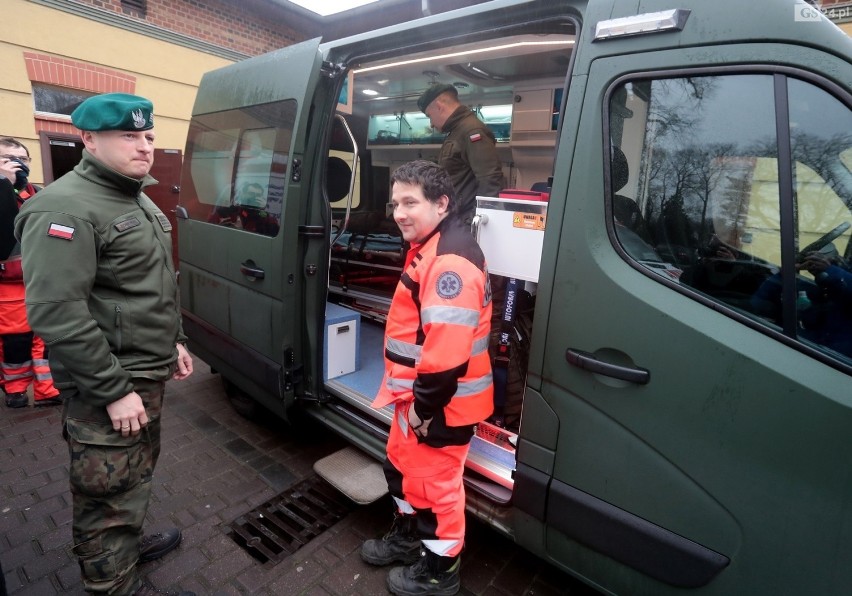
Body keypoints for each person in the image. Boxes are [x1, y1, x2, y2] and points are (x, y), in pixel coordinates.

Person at [15, 93, 195, 596]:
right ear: (89, 140)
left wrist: (175, 340)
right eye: (129, 136)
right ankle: (111, 584)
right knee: (105, 492)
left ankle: (127, 549)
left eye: (148, 136)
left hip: (143, 373)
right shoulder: (63, 207)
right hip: (109, 382)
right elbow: (57, 311)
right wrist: (113, 389)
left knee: (132, 476)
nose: (145, 147)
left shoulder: (132, 194)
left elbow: (148, 284)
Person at [360, 160, 493, 596]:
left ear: (441, 204)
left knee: (436, 489)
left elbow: (446, 357)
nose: (398, 212)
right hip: (416, 400)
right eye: (395, 202)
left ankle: (440, 572)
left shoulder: (450, 261)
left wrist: (423, 410)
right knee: (400, 468)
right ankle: (407, 538)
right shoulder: (430, 246)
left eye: (410, 202)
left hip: (440, 406)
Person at [0, 137, 61, 408]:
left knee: (47, 339)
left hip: (44, 281)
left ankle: (48, 389)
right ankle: (15, 389)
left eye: (22, 159)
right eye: (8, 159)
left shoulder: (39, 193)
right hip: (9, 286)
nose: (17, 164)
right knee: (15, 344)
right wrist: (4, 186)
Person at [417, 84, 504, 222]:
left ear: (439, 106)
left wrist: (474, 223)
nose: (431, 124)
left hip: (465, 222)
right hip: (456, 218)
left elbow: (490, 180)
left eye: (430, 115)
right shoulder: (456, 131)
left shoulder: (471, 131)